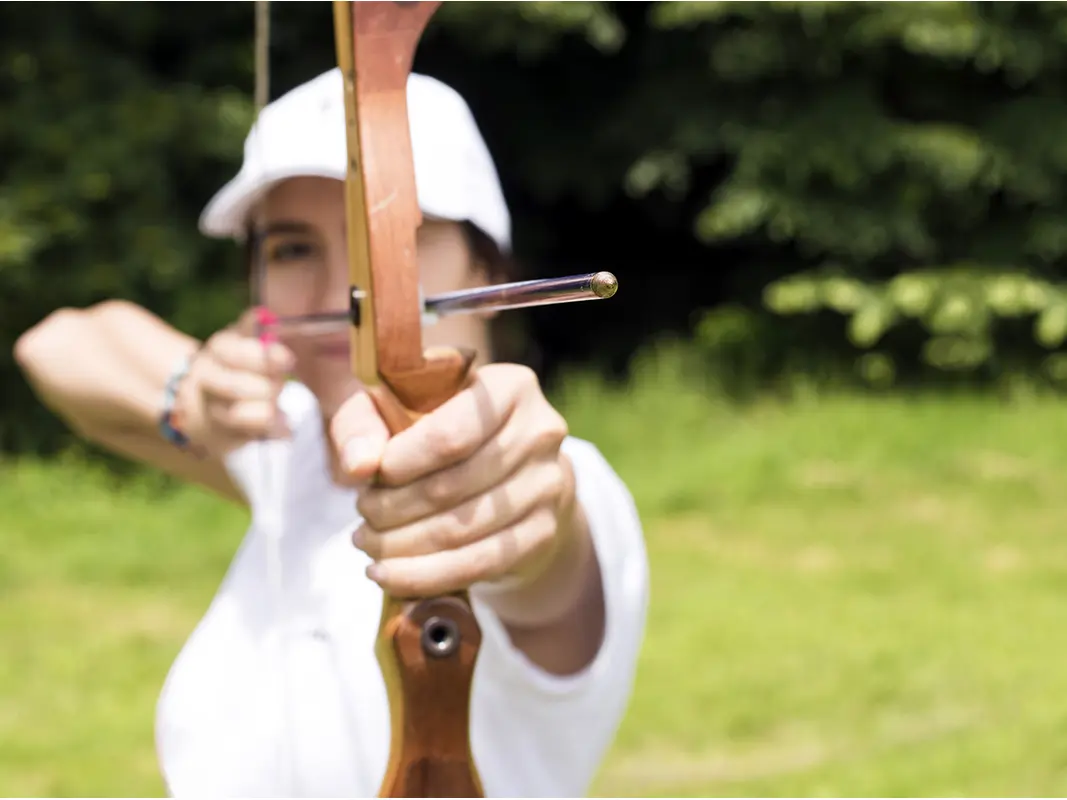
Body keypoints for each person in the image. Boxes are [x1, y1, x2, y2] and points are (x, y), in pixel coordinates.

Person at [14, 68, 649, 798]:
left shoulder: (557, 473)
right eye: (290, 249)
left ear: (484, 266)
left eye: (389, 240)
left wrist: (513, 506)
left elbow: (539, 542)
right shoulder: (295, 453)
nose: (339, 296)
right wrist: (190, 390)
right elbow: (57, 345)